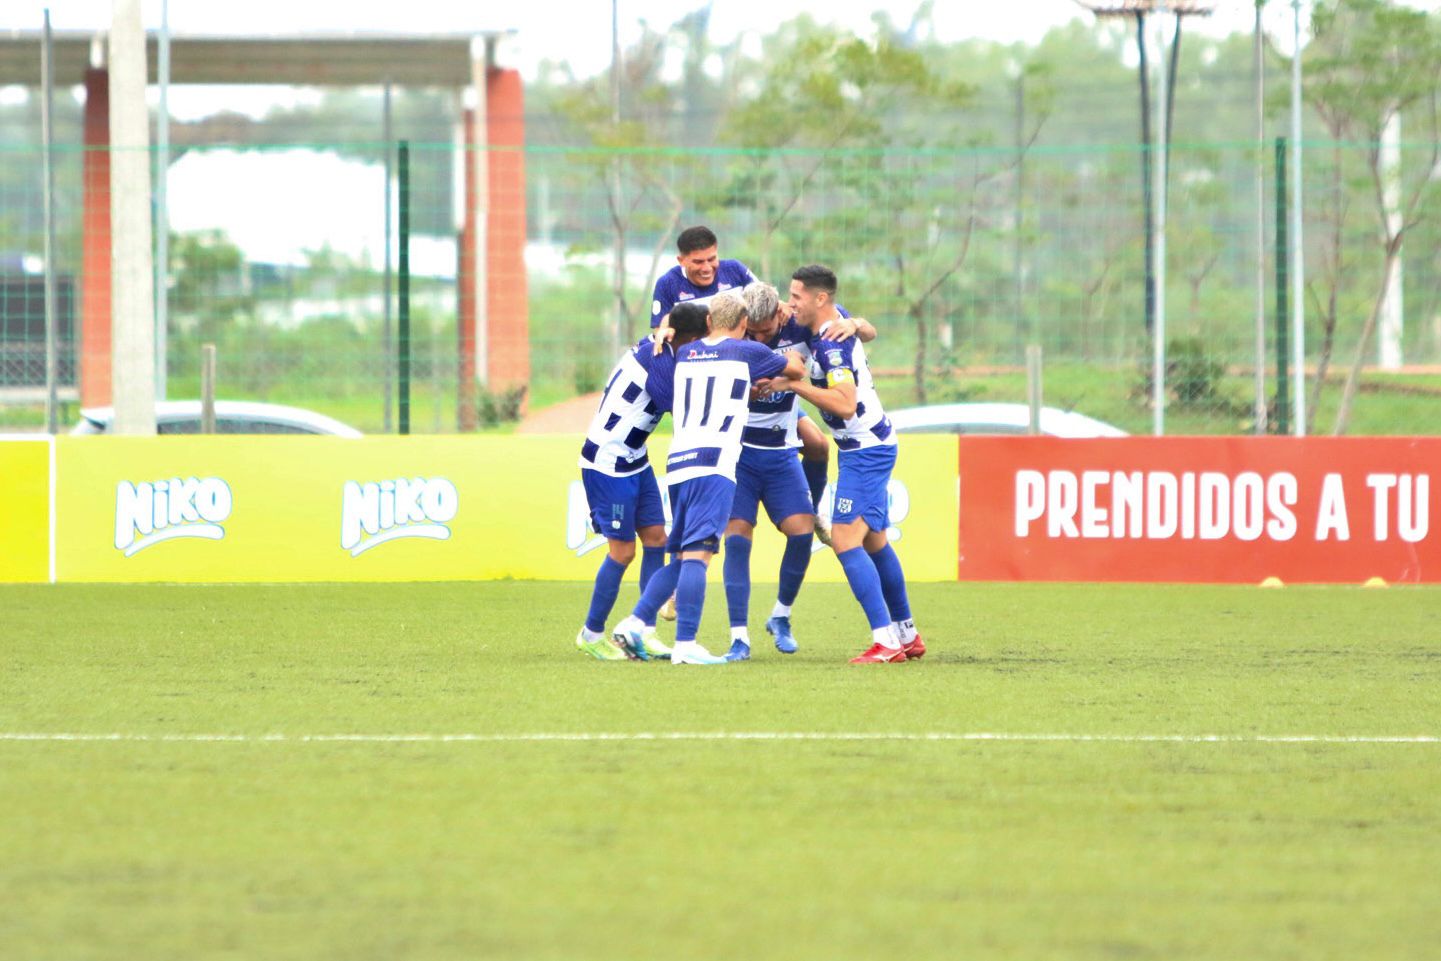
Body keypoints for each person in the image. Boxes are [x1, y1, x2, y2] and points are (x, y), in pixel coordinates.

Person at [612, 293, 806, 665]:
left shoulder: (687, 352)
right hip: (714, 464)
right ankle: (686, 644)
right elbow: (795, 371)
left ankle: (635, 622)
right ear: (744, 324)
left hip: (679, 464)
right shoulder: (745, 351)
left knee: (681, 556)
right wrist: (792, 358)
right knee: (699, 557)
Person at [720, 281, 877, 661]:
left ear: (781, 315)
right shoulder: (734, 336)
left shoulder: (800, 327)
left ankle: (781, 616)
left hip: (779, 452)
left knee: (801, 532)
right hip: (739, 453)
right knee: (737, 538)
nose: (758, 340)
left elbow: (864, 331)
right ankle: (738, 637)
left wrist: (855, 323)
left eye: (765, 332)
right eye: (751, 333)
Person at [783, 264, 924, 664]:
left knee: (845, 540)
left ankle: (886, 642)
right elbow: (868, 331)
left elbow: (845, 405)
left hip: (865, 449)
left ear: (819, 298)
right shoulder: (836, 319)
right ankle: (907, 634)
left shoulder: (831, 345)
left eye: (796, 296)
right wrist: (861, 323)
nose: (791, 303)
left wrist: (795, 385)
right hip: (868, 445)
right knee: (874, 540)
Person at [573, 302, 710, 661]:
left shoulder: (664, 346)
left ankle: (643, 630)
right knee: (623, 551)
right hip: (607, 462)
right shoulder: (660, 358)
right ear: (687, 339)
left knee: (656, 539)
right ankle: (591, 633)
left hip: (634, 458)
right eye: (699, 343)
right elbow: (679, 407)